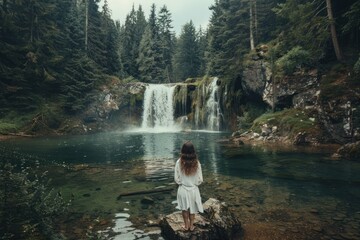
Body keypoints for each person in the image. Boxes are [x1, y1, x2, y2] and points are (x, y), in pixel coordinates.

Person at [174, 141, 203, 231]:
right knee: (192, 209)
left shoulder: (179, 162)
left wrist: (182, 183)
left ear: (182, 150)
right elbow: (200, 179)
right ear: (193, 151)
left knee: (184, 209)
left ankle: (186, 226)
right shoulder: (197, 163)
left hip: (182, 189)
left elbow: (176, 179)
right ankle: (191, 226)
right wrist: (194, 184)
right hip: (194, 190)